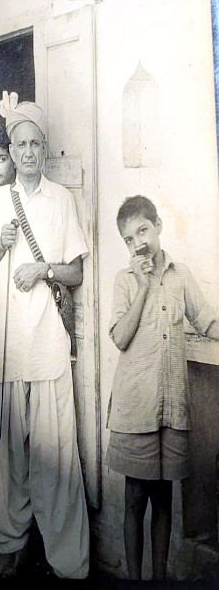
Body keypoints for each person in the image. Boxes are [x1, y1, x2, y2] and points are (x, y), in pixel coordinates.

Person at [0, 99, 90, 579]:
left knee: (55, 453)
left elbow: (77, 272)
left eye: (34, 143)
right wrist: (0, 247)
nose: (26, 152)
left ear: (44, 148)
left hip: (46, 343)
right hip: (7, 345)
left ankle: (65, 557)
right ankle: (14, 544)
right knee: (10, 456)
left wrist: (42, 267)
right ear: (10, 149)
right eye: (18, 144)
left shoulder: (63, 199)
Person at [106, 195, 219, 581]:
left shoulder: (180, 275)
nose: (139, 242)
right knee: (135, 499)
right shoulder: (124, 280)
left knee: (164, 500)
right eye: (129, 238)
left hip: (171, 408)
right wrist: (141, 287)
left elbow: (206, 321)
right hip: (136, 407)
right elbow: (120, 338)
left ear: (158, 227)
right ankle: (134, 582)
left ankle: (158, 582)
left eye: (143, 230)